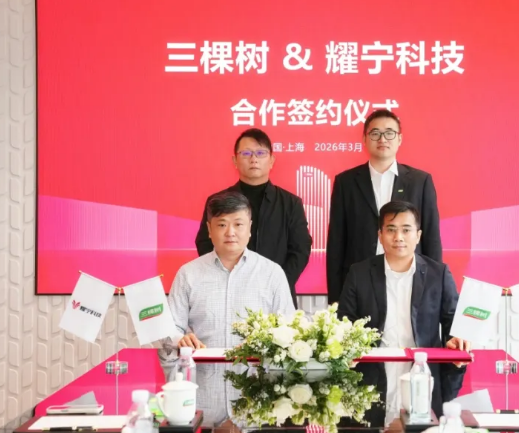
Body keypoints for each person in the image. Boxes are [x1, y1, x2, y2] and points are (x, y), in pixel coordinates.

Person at [337, 200, 468, 418]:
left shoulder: (438, 274)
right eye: (391, 230)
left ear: (418, 235)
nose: (398, 237)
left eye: (406, 230)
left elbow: (452, 322)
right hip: (371, 380)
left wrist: (456, 340)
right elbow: (345, 321)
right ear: (380, 235)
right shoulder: (359, 273)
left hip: (422, 376)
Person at [326, 109, 442, 305]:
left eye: (389, 133)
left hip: (409, 278)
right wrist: (336, 298)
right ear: (364, 139)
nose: (382, 139)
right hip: (360, 281)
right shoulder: (346, 182)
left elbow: (431, 237)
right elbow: (337, 241)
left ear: (399, 139)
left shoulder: (420, 181)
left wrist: (434, 289)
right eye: (375, 133)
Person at [195, 128, 312, 308]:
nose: (254, 159)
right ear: (235, 160)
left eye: (260, 153)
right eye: (246, 153)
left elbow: (300, 250)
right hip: (228, 292)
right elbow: (205, 243)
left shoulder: (290, 203)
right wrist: (227, 277)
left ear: (271, 160)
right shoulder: (217, 201)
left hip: (276, 297)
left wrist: (276, 283)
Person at [170, 191, 296, 349]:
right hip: (202, 364)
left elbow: (288, 329)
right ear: (209, 229)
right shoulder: (188, 274)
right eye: (222, 225)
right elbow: (171, 329)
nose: (230, 233)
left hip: (256, 366)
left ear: (249, 227)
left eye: (238, 224)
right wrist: (180, 339)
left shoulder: (272, 273)